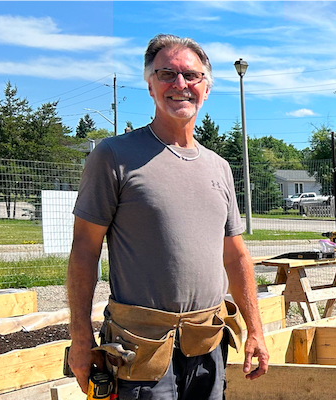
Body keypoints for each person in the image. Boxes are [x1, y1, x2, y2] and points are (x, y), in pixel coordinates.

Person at [66, 34, 269, 400]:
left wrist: (255, 329)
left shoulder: (219, 167)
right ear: (150, 85)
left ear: (206, 88)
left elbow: (236, 255)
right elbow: (84, 249)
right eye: (166, 74)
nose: (180, 84)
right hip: (140, 351)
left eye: (191, 76)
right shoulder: (114, 157)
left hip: (207, 343)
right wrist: (80, 339)